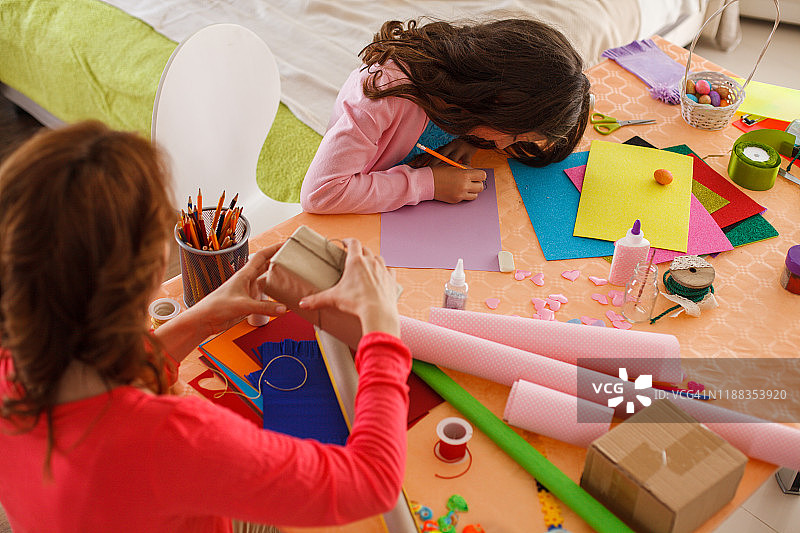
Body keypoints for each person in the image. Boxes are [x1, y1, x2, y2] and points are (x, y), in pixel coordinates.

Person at [0, 121, 410, 532]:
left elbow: (95, 373)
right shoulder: (173, 441)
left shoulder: (17, 361)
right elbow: (372, 483)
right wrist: (380, 326)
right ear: (150, 277)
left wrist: (206, 315)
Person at [300, 18, 592, 214]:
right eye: (513, 134)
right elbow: (321, 194)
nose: (504, 147)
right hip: (358, 194)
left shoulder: (471, 88)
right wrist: (429, 184)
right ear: (497, 100)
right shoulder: (383, 98)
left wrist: (473, 140)